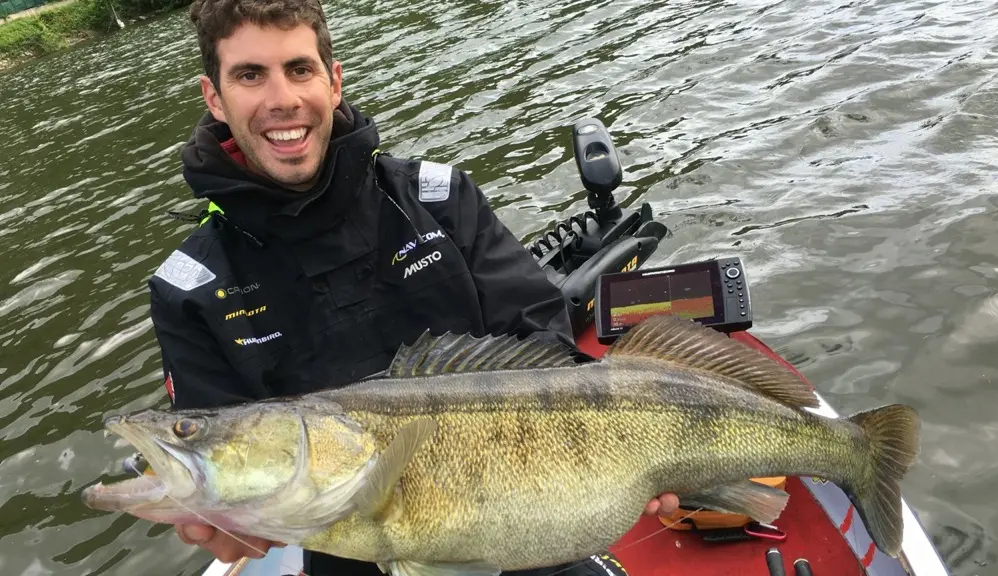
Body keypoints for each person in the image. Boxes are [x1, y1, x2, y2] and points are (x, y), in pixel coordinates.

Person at [148, 0, 680, 574]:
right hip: (353, 554)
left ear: (334, 81)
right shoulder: (188, 290)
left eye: (299, 69)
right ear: (214, 98)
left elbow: (542, 344)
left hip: (528, 521)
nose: (281, 99)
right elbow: (225, 461)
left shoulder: (439, 199)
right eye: (249, 75)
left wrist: (621, 458)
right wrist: (231, 525)